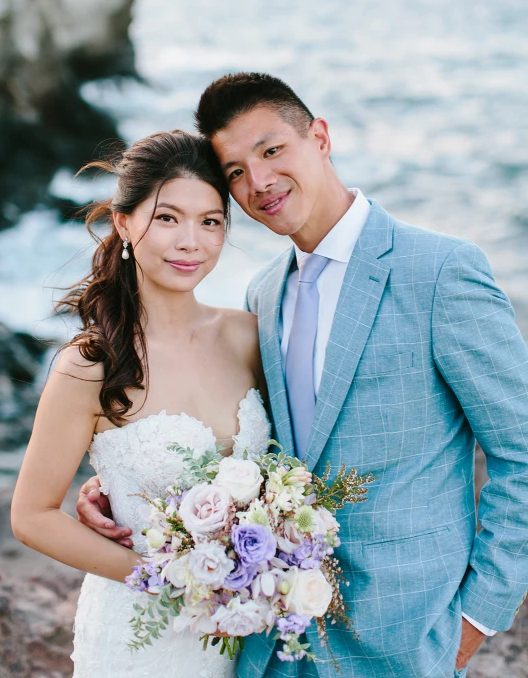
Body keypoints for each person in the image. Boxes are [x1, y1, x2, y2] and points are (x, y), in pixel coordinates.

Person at [77, 73, 528, 678]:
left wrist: (476, 620)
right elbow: (255, 448)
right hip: (275, 641)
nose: (258, 181)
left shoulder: (440, 272)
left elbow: (520, 452)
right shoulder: (263, 297)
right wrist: (130, 489)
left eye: (271, 150)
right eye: (234, 171)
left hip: (408, 637)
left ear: (319, 136)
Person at [11, 130, 271, 677]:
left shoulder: (251, 338)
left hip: (245, 630)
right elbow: (32, 516)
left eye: (210, 222)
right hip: (139, 635)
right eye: (168, 217)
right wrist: (171, 579)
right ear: (124, 223)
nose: (190, 242)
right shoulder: (90, 365)